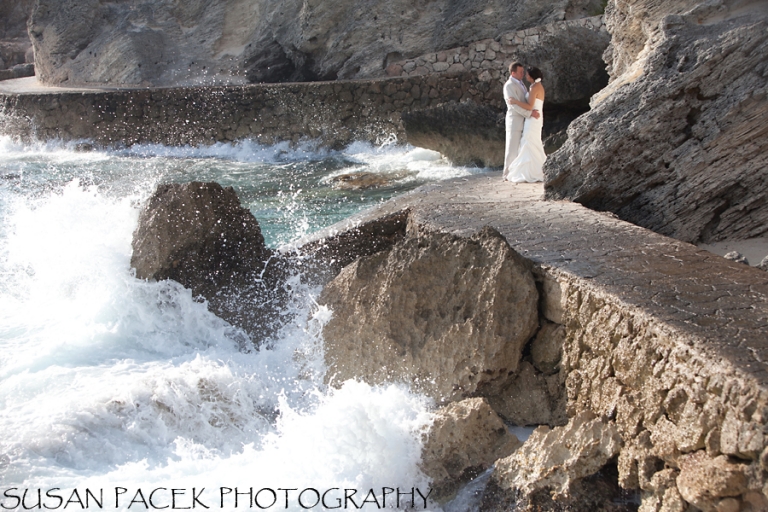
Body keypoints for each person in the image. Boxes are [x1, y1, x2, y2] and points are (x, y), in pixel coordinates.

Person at [504, 66, 546, 183]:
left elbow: (529, 106)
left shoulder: (534, 87)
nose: (525, 75)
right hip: (535, 117)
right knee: (532, 143)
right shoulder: (538, 86)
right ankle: (535, 169)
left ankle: (530, 171)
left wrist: (515, 101)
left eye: (526, 74)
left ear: (531, 76)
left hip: (533, 118)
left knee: (529, 142)